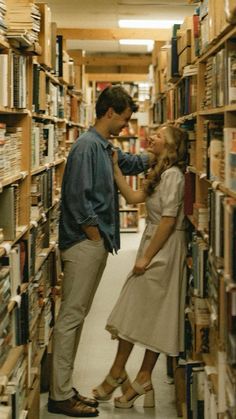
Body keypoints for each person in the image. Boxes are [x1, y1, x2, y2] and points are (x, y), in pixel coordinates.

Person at [48, 85, 155, 417]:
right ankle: (60, 396)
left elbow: (131, 162)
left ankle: (63, 388)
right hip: (84, 244)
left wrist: (167, 150)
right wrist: (94, 237)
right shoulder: (85, 147)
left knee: (76, 317)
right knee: (71, 318)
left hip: (93, 243)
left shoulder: (103, 147)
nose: (125, 126)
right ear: (110, 112)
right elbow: (78, 203)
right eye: (124, 119)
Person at [92, 124, 188, 409]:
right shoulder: (160, 172)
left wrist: (146, 257)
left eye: (158, 136)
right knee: (137, 311)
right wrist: (115, 169)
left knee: (150, 315)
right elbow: (133, 199)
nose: (151, 137)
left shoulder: (174, 176)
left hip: (165, 249)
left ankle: (131, 374)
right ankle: (127, 374)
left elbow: (170, 220)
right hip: (155, 243)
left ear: (170, 145)